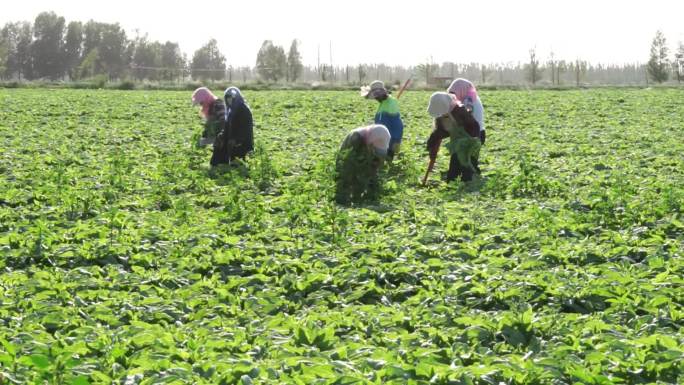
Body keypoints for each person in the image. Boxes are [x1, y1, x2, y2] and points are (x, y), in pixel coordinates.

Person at [426, 92, 481, 182]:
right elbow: (441, 131)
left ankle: (469, 184)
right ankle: (452, 182)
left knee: (467, 164)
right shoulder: (441, 117)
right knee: (454, 165)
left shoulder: (459, 110)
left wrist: (472, 140)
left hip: (470, 139)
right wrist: (432, 140)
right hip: (456, 143)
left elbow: (473, 125)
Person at [335, 124, 391, 203]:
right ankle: (344, 198)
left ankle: (369, 195)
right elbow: (347, 162)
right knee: (348, 174)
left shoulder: (383, 138)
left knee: (371, 171)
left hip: (367, 149)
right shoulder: (356, 138)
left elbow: (378, 163)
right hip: (349, 156)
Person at [210, 87, 254, 166]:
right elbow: (227, 128)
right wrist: (221, 136)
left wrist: (236, 140)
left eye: (230, 98)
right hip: (232, 139)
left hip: (242, 142)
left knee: (235, 160)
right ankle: (218, 165)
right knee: (219, 143)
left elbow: (245, 131)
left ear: (236, 98)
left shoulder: (243, 110)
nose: (228, 100)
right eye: (227, 98)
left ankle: (233, 162)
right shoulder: (230, 110)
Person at [361, 80, 404, 158]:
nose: (376, 99)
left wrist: (395, 142)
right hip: (381, 139)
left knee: (386, 160)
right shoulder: (383, 103)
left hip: (389, 141)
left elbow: (397, 125)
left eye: (376, 96)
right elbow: (382, 121)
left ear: (381, 95)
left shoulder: (391, 103)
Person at [447, 78, 485, 145]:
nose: (454, 97)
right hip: (480, 133)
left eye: (454, 93)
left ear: (461, 90)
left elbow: (464, 120)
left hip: (472, 135)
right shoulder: (473, 97)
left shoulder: (468, 102)